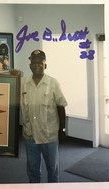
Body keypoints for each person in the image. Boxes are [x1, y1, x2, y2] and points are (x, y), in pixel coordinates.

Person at [20, 49, 67, 183]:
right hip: (30, 135)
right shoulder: (23, 83)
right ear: (29, 65)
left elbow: (60, 106)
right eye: (34, 62)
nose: (37, 65)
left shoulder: (53, 83)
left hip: (49, 136)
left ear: (45, 65)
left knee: (52, 169)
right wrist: (12, 77)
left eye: (40, 62)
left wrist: (62, 130)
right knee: (32, 169)